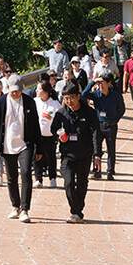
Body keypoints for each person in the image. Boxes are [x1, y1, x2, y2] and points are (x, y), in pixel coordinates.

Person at [0, 74, 42, 223]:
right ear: (7, 88)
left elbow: (36, 125)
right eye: (12, 90)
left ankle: (25, 209)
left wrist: (40, 148)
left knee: (25, 173)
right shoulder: (0, 102)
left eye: (18, 90)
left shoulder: (29, 102)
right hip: (7, 145)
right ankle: (15, 206)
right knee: (11, 177)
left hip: (25, 144)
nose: (15, 93)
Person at [51, 82, 99, 223]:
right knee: (69, 182)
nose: (69, 101)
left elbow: (96, 134)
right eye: (66, 98)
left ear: (78, 96)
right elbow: (53, 130)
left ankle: (78, 211)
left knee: (82, 182)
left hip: (85, 154)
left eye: (71, 97)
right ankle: (75, 211)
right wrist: (59, 136)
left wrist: (97, 155)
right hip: (67, 154)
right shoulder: (61, 113)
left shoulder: (89, 113)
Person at [82, 73, 126, 180]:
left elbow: (122, 109)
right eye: (99, 83)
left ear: (109, 84)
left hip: (111, 126)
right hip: (99, 125)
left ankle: (110, 171)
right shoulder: (96, 94)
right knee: (96, 149)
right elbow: (84, 94)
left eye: (103, 83)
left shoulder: (115, 96)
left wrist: (115, 119)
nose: (100, 85)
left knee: (111, 149)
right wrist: (93, 81)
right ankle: (97, 171)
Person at [34, 80, 61, 189]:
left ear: (46, 91)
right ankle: (38, 179)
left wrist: (52, 118)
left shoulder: (54, 104)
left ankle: (52, 178)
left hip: (49, 135)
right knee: (37, 157)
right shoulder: (35, 101)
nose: (37, 91)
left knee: (51, 157)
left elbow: (60, 120)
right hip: (37, 135)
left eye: (39, 89)